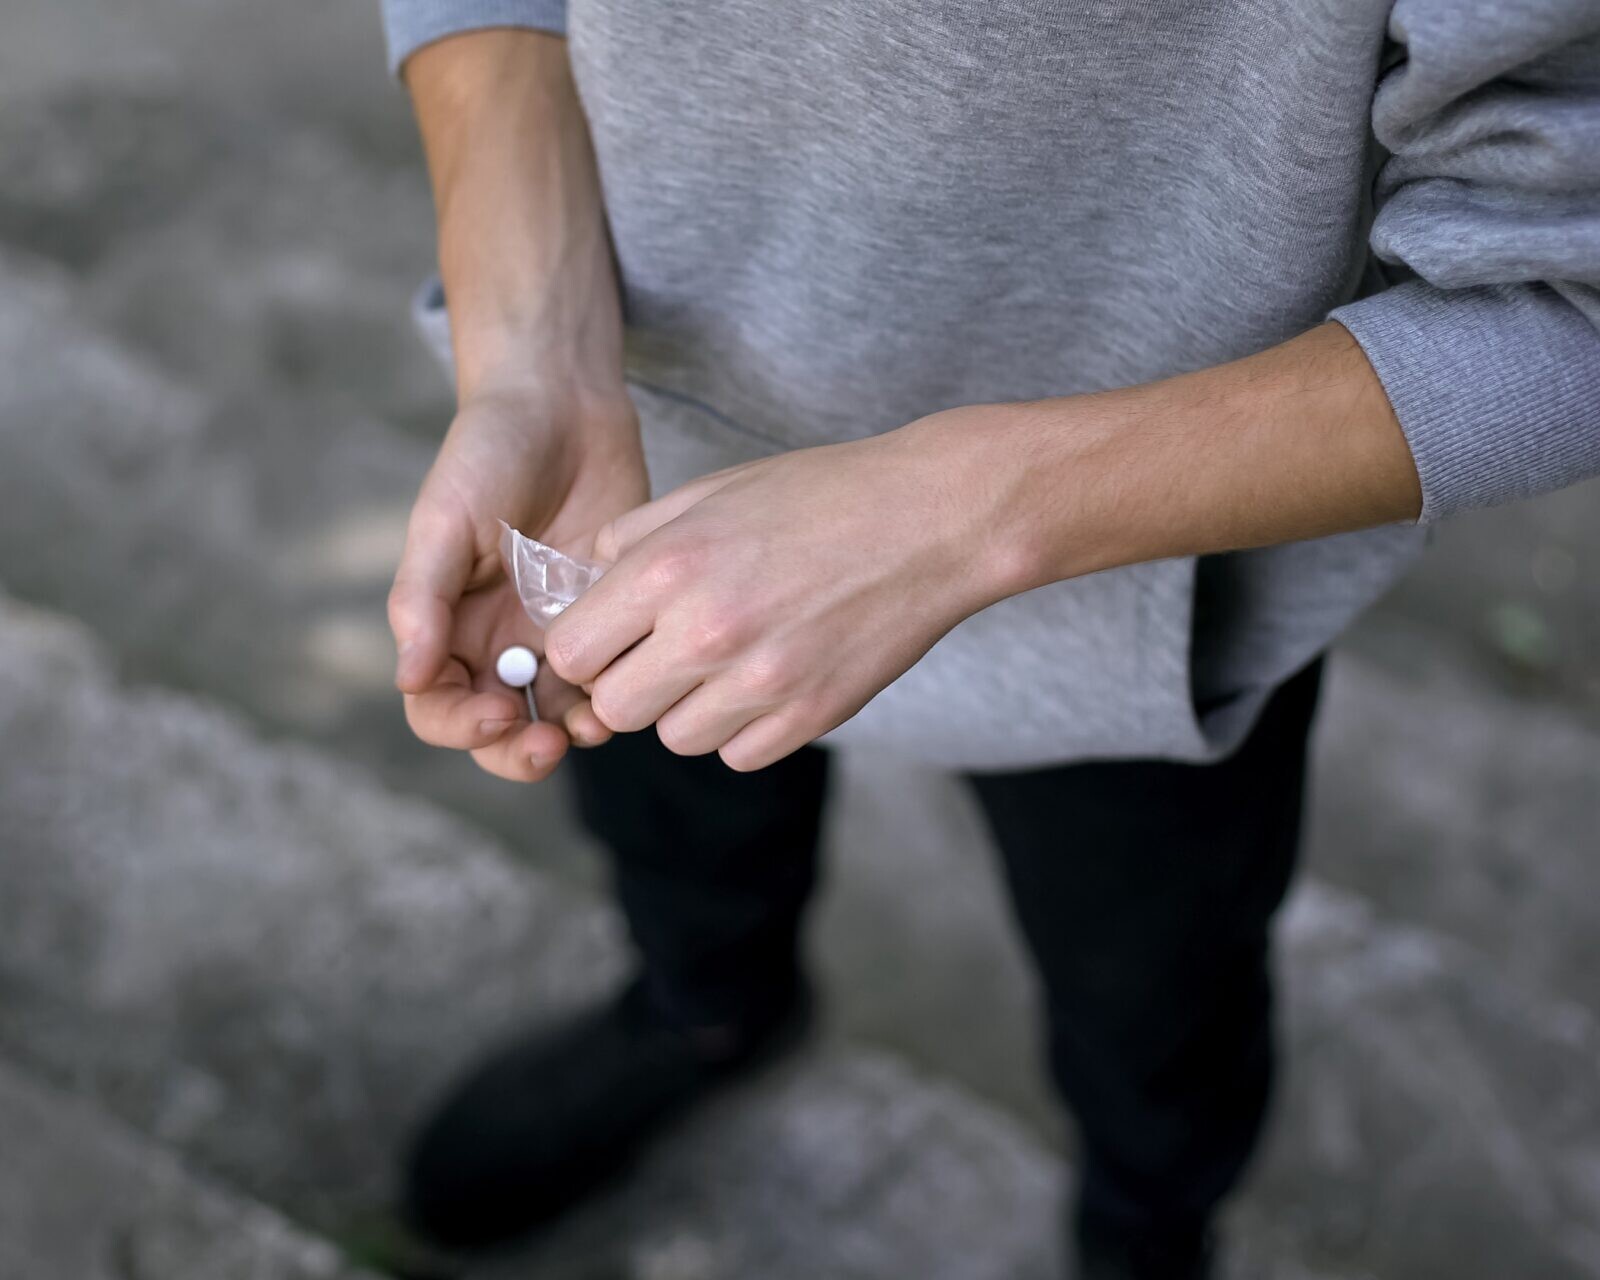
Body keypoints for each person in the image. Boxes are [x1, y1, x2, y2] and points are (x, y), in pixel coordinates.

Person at [377, 3, 1600, 1276]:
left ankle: (1145, 1226)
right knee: (672, 837)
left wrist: (968, 516)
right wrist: (532, 360)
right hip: (624, 492)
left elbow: (1571, 293)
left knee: (1150, 994)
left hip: (1143, 572)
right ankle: (704, 1010)